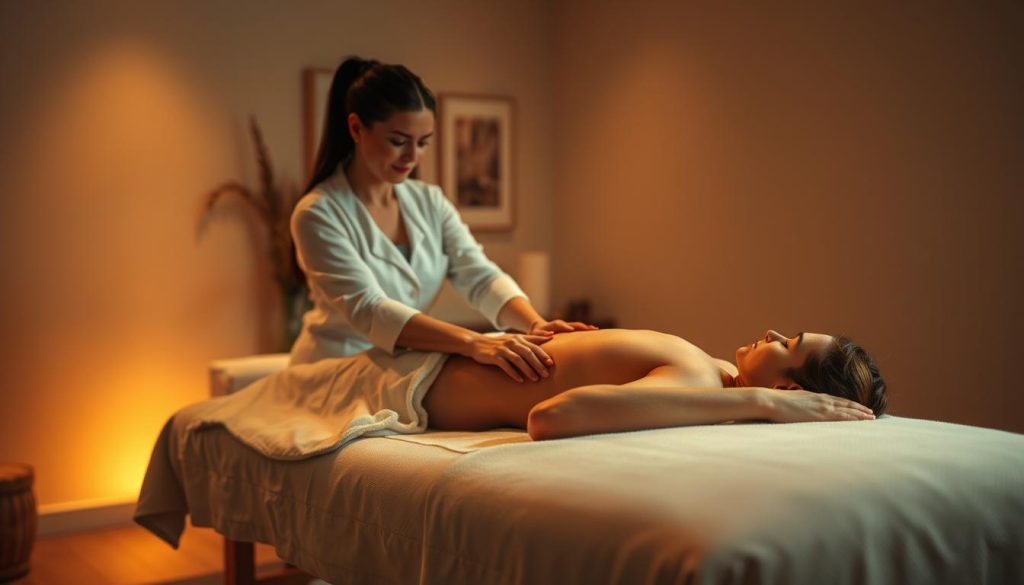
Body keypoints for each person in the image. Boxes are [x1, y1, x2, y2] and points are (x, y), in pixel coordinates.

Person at [290, 56, 594, 375]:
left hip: (396, 366)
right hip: (333, 368)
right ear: (356, 128)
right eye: (398, 141)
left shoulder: (429, 202)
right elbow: (369, 309)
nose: (412, 157)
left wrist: (536, 325)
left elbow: (479, 275)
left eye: (423, 143)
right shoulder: (317, 213)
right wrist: (474, 342)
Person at [422, 328, 886, 440]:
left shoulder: (702, 380)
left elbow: (548, 418)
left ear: (787, 392)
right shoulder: (718, 372)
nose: (773, 334)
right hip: (431, 362)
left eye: (789, 344)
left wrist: (759, 402)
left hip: (418, 385)